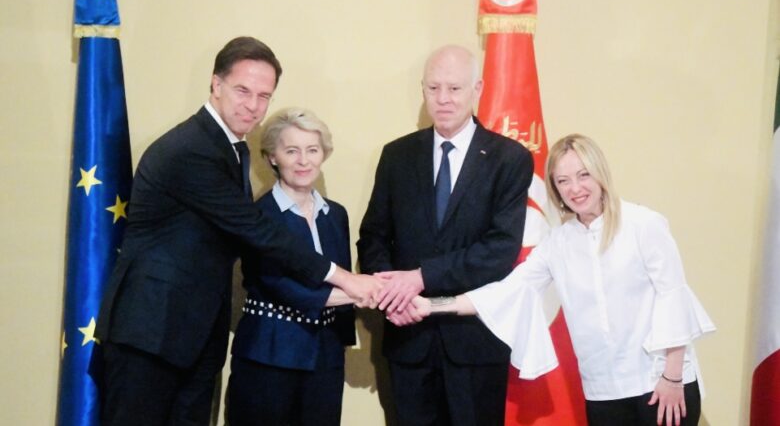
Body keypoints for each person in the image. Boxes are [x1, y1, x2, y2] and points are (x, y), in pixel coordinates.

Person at [94, 37, 381, 426]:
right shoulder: (191, 149)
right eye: (243, 90)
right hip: (150, 335)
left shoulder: (231, 148)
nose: (253, 105)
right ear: (216, 84)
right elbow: (257, 230)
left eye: (264, 96)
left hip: (193, 338)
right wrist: (347, 279)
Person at [394, 133, 716, 426]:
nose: (575, 188)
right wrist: (430, 306)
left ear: (600, 173)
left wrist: (673, 377)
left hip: (660, 383)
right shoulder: (557, 243)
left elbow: (673, 298)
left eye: (583, 175)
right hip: (603, 391)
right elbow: (505, 292)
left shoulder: (644, 224)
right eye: (563, 181)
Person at [357, 45, 534, 426]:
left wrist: (421, 278)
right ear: (423, 90)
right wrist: (392, 296)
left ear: (477, 89)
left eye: (454, 88)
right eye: (433, 88)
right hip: (407, 339)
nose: (443, 99)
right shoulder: (396, 155)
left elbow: (499, 251)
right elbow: (372, 237)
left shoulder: (509, 159)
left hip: (475, 344)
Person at [227, 108, 356, 426]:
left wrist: (341, 340)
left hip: (325, 359)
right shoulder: (258, 217)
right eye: (292, 151)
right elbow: (282, 287)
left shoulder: (336, 215)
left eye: (312, 150)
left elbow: (343, 281)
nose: (303, 161)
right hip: (270, 356)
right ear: (273, 157)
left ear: (323, 154)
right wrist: (366, 291)